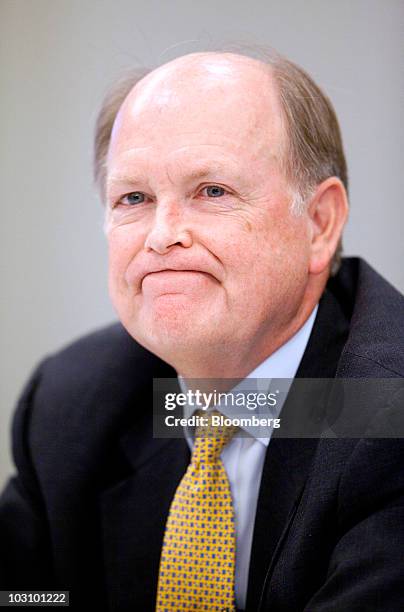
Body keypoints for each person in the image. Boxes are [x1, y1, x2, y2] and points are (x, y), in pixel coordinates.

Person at [1, 49, 403, 612]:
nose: (162, 236)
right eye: (133, 198)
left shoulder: (390, 412)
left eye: (212, 191)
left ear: (319, 224)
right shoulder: (71, 403)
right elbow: (29, 597)